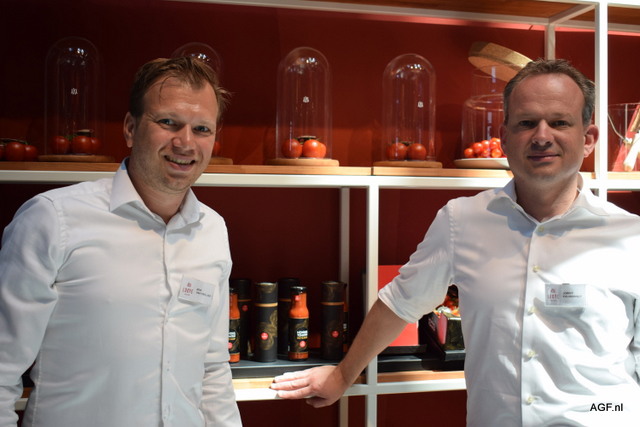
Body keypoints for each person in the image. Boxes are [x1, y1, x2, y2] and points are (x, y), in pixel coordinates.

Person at [271, 59, 640, 425]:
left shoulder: (631, 237)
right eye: (526, 123)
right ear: (505, 137)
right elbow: (400, 302)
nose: (542, 136)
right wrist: (342, 375)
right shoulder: (462, 220)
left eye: (559, 122)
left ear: (588, 139)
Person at [0, 57, 242, 426]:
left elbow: (212, 367)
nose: (185, 142)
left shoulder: (212, 230)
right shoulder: (53, 219)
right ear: (130, 128)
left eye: (202, 129)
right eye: (168, 122)